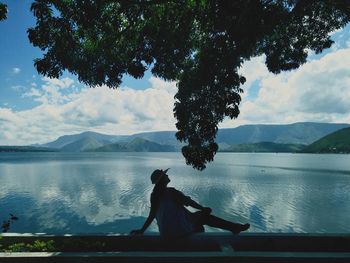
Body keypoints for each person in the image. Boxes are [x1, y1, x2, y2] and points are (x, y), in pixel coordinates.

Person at [130, 168, 250, 239]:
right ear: (162, 180)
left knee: (199, 221)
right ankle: (235, 228)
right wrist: (204, 208)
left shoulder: (154, 195)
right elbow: (190, 202)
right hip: (178, 231)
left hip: (165, 232)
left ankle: (235, 228)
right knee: (204, 217)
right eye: (165, 174)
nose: (167, 175)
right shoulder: (171, 192)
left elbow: (152, 215)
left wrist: (142, 230)